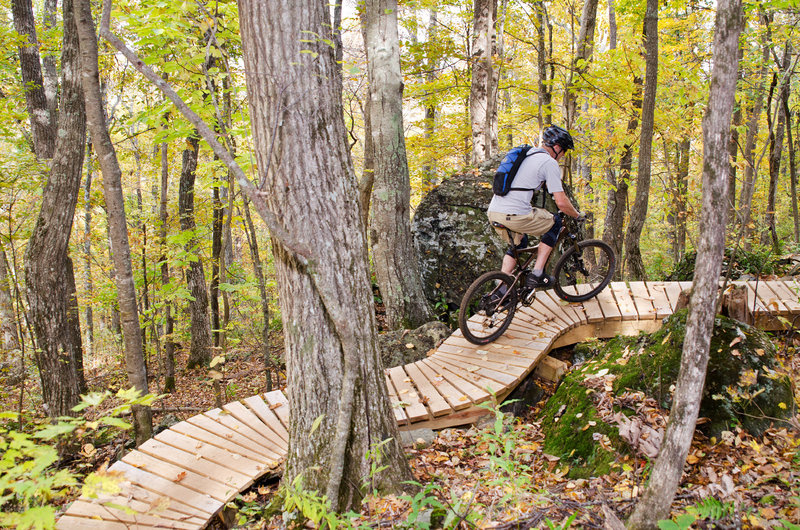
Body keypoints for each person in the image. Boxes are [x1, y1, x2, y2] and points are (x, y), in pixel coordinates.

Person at [487, 125, 584, 289]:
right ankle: (537, 273)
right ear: (557, 147)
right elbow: (561, 202)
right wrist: (576, 215)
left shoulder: (525, 155)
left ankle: (501, 288)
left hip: (494, 212)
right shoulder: (549, 163)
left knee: (520, 242)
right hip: (514, 214)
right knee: (556, 222)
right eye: (564, 152)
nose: (563, 156)